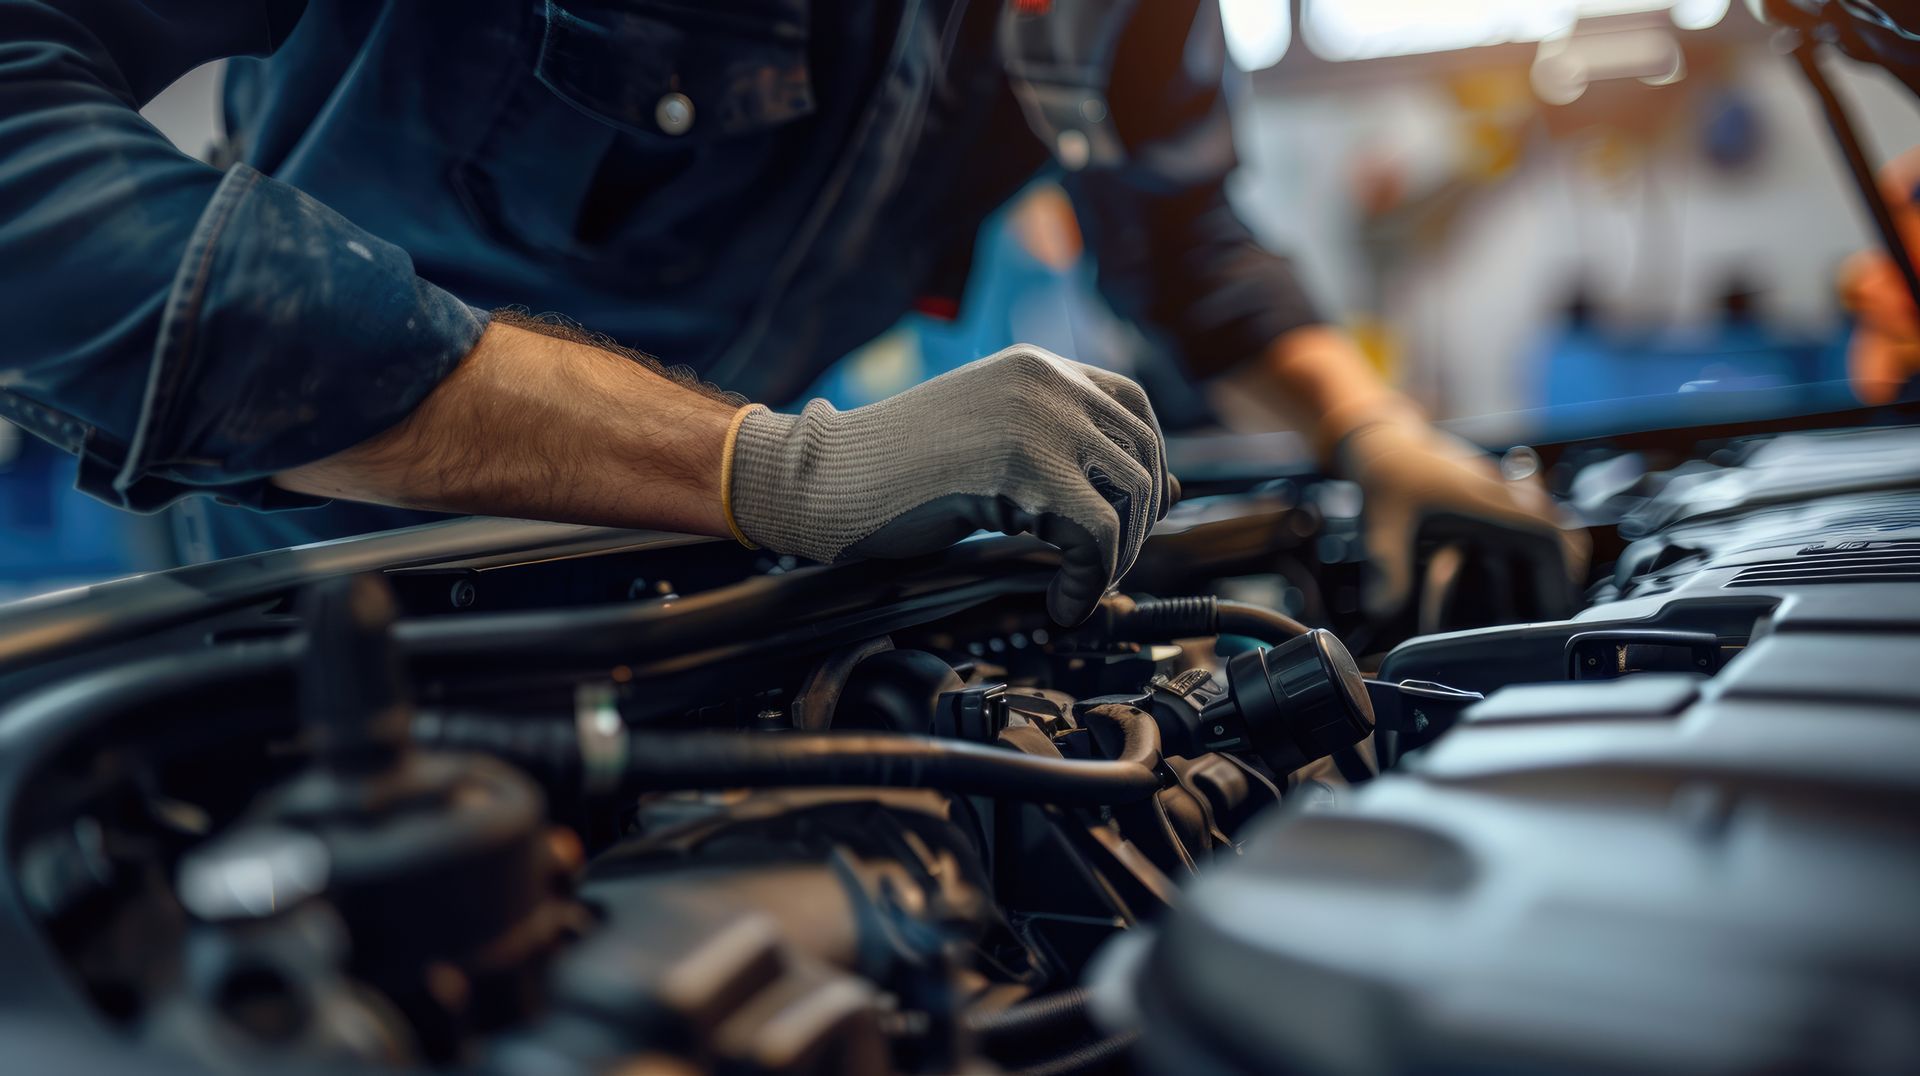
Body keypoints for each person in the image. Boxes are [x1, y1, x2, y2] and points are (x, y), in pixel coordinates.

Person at [0, 0, 1580, 625]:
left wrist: (1374, 432)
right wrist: (784, 471)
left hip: (729, 609)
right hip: (327, 618)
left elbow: (1184, 234)